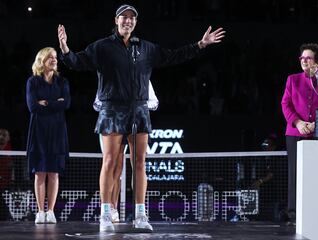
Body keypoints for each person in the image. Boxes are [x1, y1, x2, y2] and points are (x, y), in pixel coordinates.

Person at [57, 3, 224, 232]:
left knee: (140, 163)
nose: (128, 21)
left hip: (139, 110)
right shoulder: (102, 47)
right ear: (116, 21)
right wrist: (65, 50)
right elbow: (78, 62)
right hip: (112, 109)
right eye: (123, 17)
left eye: (131, 18)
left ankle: (140, 215)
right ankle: (106, 215)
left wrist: (200, 44)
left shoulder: (145, 48)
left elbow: (173, 56)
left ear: (135, 22)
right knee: (110, 162)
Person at [281, 43, 318, 225]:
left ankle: (317, 210)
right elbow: (285, 104)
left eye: (308, 58)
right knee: (294, 173)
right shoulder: (292, 79)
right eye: (302, 58)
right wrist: (298, 123)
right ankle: (293, 214)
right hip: (294, 133)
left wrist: (317, 124)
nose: (304, 61)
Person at [93, 80, 159, 223]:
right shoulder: (110, 75)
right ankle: (109, 209)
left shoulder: (141, 77)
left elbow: (154, 102)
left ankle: (131, 210)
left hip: (135, 120)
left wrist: (138, 105)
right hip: (114, 120)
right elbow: (97, 103)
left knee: (128, 165)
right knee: (112, 164)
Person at [26, 47, 71, 224]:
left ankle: (50, 211)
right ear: (41, 61)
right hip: (39, 131)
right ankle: (40, 211)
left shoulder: (62, 82)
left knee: (54, 173)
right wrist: (55, 103)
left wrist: (45, 103)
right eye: (50, 57)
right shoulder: (33, 82)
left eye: (55, 57)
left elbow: (66, 104)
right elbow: (32, 107)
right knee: (40, 172)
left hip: (57, 131)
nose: (54, 60)